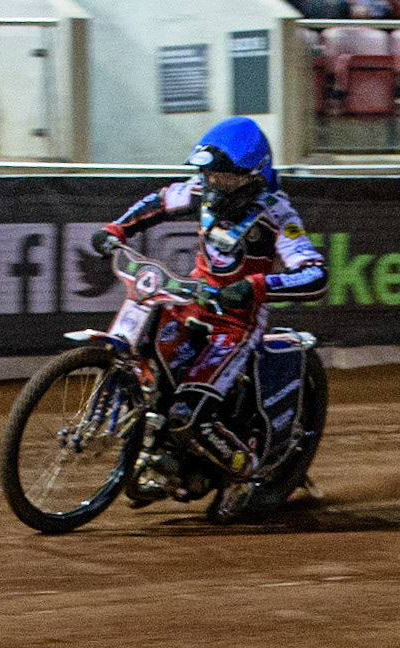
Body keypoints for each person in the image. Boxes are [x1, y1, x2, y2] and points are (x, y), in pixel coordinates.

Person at [90, 117, 327, 517]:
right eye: (208, 175)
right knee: (154, 370)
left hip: (235, 323)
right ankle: (154, 456)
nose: (213, 185)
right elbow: (160, 202)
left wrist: (255, 286)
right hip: (191, 301)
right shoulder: (201, 189)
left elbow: (315, 274)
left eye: (224, 179)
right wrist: (117, 229)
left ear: (251, 177)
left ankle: (242, 474)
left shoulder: (277, 213)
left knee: (188, 418)